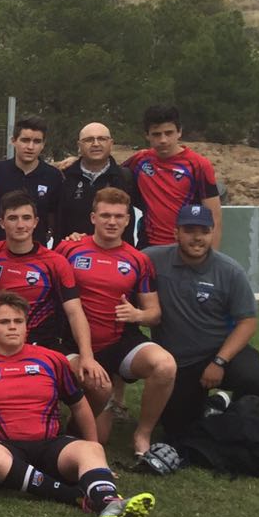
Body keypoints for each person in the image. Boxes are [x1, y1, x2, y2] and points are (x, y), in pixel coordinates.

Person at [0, 292, 157, 517]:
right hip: (4, 448)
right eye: (4, 322)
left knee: (89, 448)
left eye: (18, 322)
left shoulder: (51, 359)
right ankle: (76, 497)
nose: (12, 328)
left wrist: (96, 450)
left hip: (51, 445)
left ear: (26, 326)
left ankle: (109, 501)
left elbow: (79, 405)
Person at [57, 187, 178, 462]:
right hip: (74, 342)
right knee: (98, 438)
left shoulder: (139, 260)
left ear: (127, 221)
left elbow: (154, 313)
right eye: (105, 215)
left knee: (165, 365)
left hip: (118, 341)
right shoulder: (69, 248)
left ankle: (142, 434)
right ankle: (88, 413)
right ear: (93, 217)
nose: (111, 222)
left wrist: (137, 315)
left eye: (118, 216)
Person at [0, 193, 107, 407]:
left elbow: (74, 311)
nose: (20, 224)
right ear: (1, 222)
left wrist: (87, 357)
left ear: (35, 222)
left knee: (100, 385)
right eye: (13, 218)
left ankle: (75, 430)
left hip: (45, 344)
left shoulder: (55, 263)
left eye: (26, 218)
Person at [145, 202, 259, 438]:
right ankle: (216, 406)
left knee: (254, 378)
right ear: (176, 233)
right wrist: (77, 240)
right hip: (180, 362)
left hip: (220, 352)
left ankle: (245, 424)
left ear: (213, 233)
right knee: (178, 429)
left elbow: (248, 321)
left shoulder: (230, 270)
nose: (197, 238)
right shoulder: (154, 259)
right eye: (189, 231)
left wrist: (219, 362)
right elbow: (117, 256)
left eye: (204, 231)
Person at [126, 104, 221, 248]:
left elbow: (214, 216)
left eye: (169, 133)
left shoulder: (199, 165)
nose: (163, 140)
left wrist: (211, 261)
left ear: (179, 132)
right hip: (148, 247)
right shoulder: (139, 160)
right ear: (147, 135)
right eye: (156, 134)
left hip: (185, 248)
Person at [0, 116, 63, 245]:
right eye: (25, 140)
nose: (30, 147)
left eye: (37, 141)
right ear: (13, 141)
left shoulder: (53, 176)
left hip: (35, 253)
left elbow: (54, 217)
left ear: (43, 144)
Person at [56, 122, 137, 241]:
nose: (95, 144)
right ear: (79, 145)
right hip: (72, 254)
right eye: (89, 140)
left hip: (117, 255)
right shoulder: (64, 176)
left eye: (102, 139)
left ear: (111, 143)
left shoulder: (126, 177)